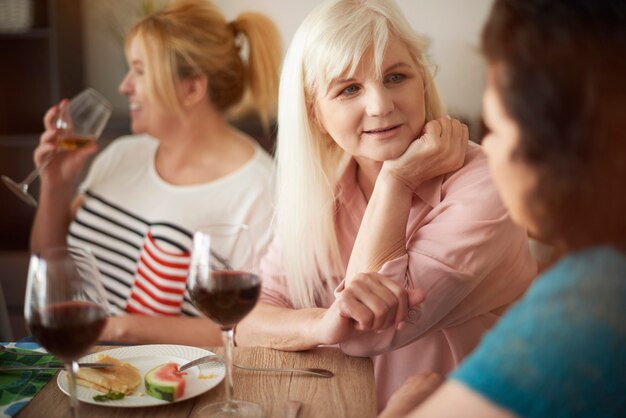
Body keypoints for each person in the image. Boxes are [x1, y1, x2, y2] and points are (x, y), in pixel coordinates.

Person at [236, 0, 536, 409]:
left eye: (396, 76)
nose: (380, 105)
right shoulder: (322, 190)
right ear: (315, 113)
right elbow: (249, 318)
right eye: (349, 89)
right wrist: (323, 325)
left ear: (422, 82)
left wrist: (396, 180)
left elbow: (366, 333)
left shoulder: (486, 184)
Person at [379, 0, 626, 417]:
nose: (488, 147)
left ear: (554, 145)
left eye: (496, 127)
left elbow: (372, 331)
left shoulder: (590, 303)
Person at [29, 0, 282, 345]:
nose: (124, 86)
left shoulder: (260, 191)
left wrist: (115, 327)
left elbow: (251, 325)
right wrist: (55, 186)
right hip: (76, 364)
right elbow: (48, 262)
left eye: (139, 70)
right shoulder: (121, 154)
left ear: (191, 88)